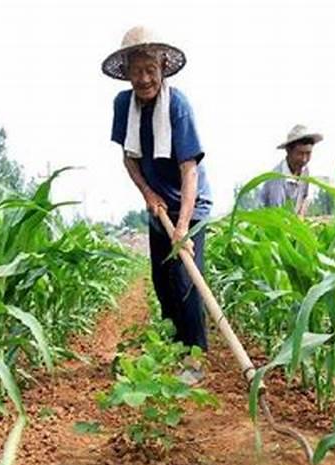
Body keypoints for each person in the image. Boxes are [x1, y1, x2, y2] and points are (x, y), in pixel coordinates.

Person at [103, 26, 212, 384]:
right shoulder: (124, 105)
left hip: (190, 204)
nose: (144, 78)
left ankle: (195, 358)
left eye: (151, 69)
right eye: (137, 70)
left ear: (163, 67)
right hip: (157, 203)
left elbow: (189, 170)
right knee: (162, 279)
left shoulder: (177, 105)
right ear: (127, 72)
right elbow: (129, 160)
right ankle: (175, 348)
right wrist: (148, 195)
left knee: (185, 279)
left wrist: (182, 228)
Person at [260, 124, 323, 217]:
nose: (304, 159)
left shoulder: (305, 172)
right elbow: (277, 215)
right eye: (300, 154)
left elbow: (304, 197)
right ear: (288, 151)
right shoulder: (277, 178)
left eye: (308, 153)